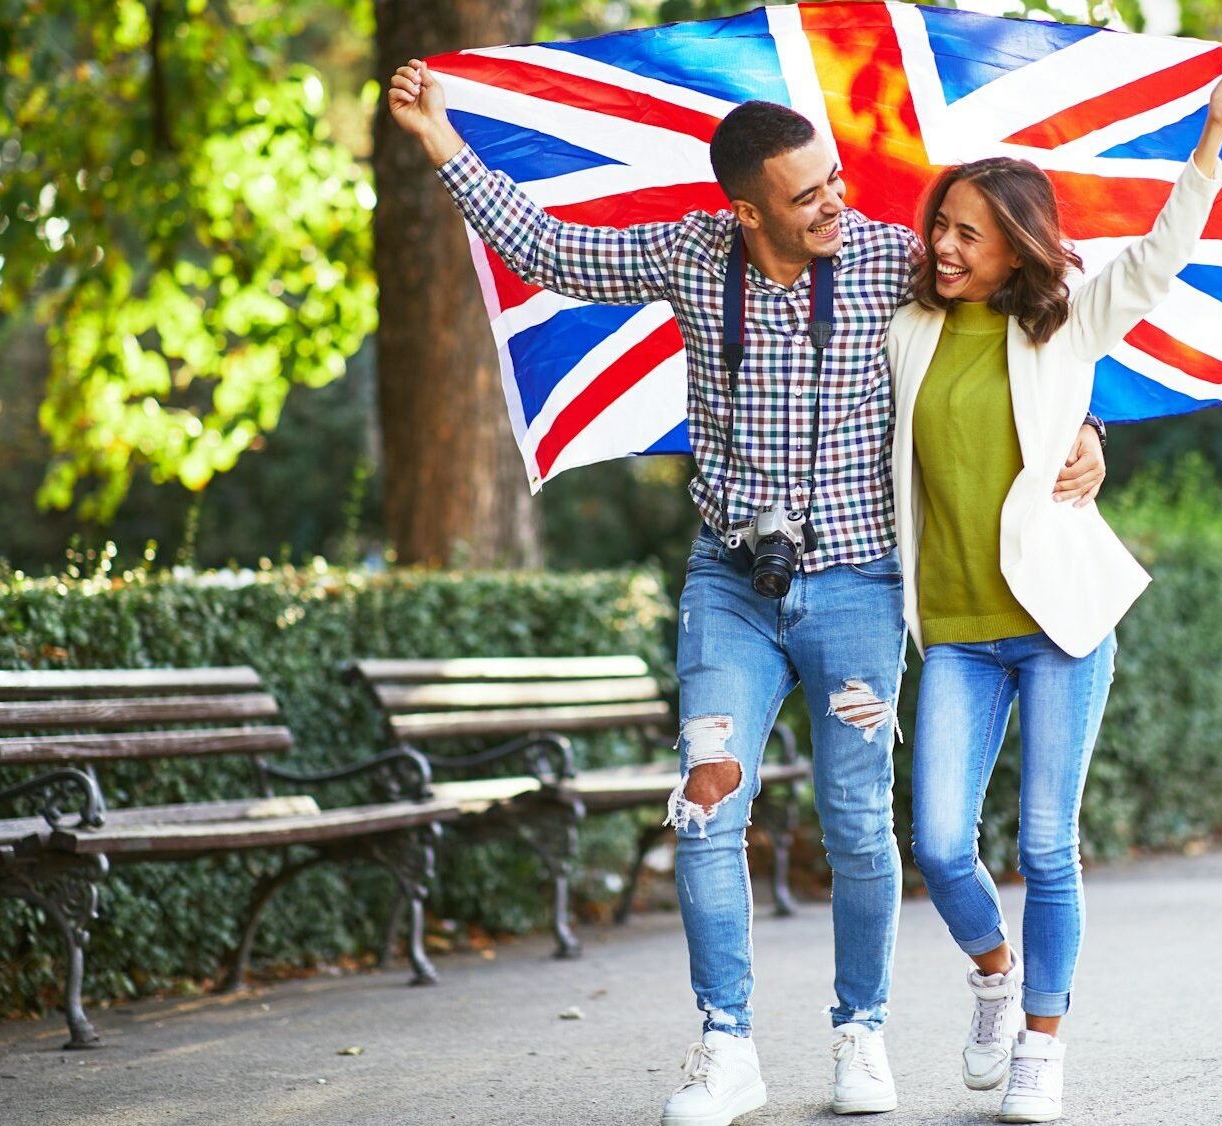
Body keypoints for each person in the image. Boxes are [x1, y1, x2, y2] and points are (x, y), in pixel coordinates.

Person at [386, 64, 1109, 1126]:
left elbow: (1029, 321)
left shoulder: (883, 260)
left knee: (861, 825)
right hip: (730, 584)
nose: (834, 202)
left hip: (860, 585)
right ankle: (725, 1044)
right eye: (807, 193)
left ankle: (858, 1030)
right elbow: (545, 251)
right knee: (704, 801)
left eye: (833, 180)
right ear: (747, 208)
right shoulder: (690, 253)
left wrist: (1092, 437)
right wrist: (440, 140)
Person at [888, 46, 1222, 1124]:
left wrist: (1210, 135)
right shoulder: (906, 330)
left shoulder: (1062, 321)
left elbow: (1154, 260)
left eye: (965, 230)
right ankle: (994, 975)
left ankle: (1041, 1047)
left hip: (1058, 622)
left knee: (1046, 841)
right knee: (941, 844)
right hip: (954, 629)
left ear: (1012, 244)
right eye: (939, 226)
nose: (942, 244)